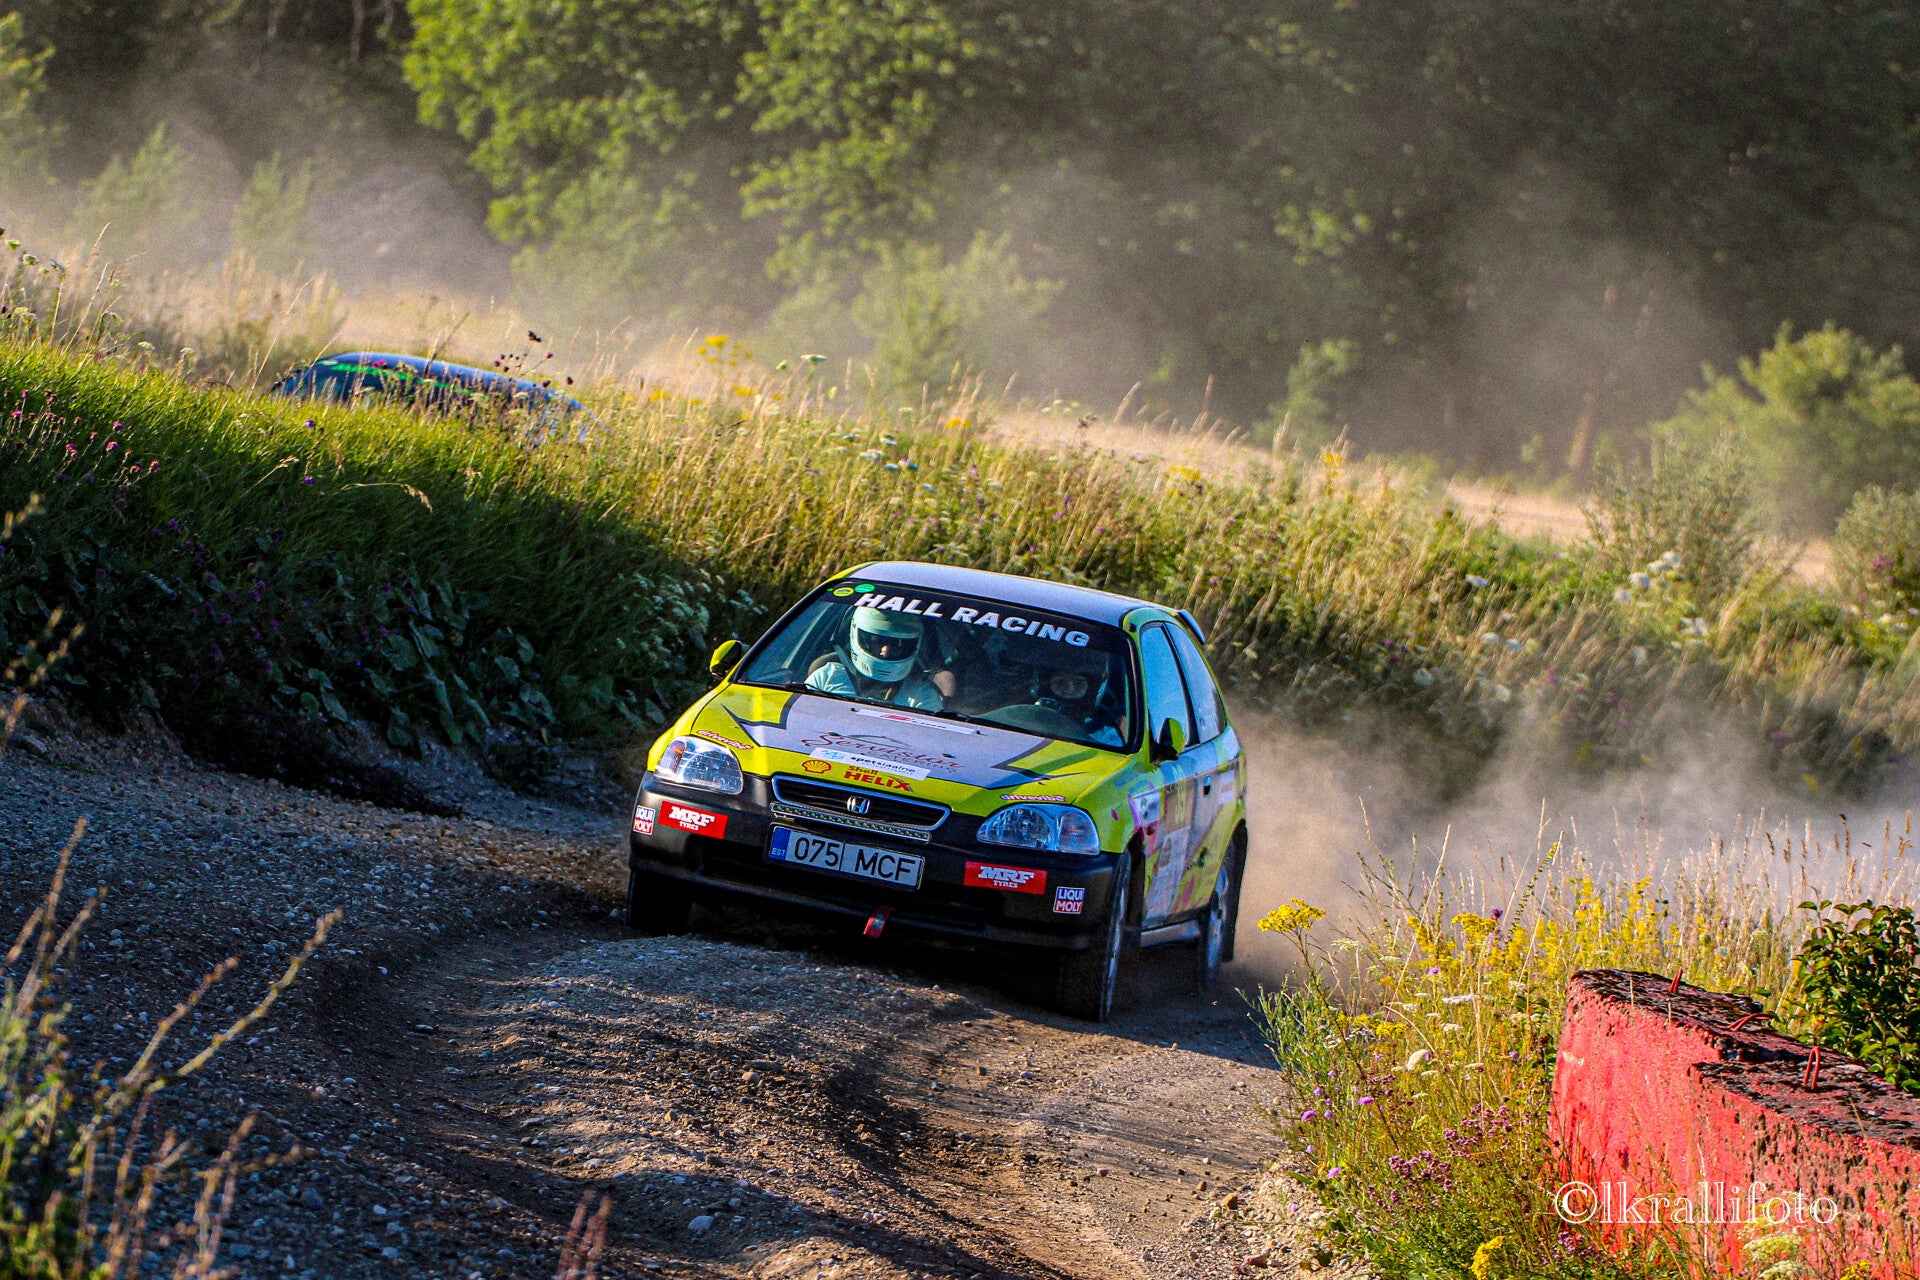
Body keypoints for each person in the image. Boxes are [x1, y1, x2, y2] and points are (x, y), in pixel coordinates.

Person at [805, 607, 945, 710]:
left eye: (897, 644)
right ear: (858, 635)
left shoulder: (922, 696)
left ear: (912, 645)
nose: (885, 651)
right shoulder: (826, 678)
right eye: (877, 640)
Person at [1037, 666, 1123, 747]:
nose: (1069, 690)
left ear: (1092, 688)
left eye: (1078, 683)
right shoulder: (1032, 718)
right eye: (1060, 683)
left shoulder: (1104, 735)